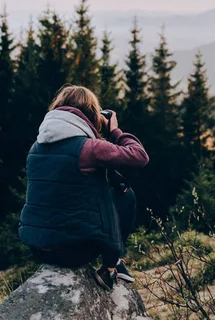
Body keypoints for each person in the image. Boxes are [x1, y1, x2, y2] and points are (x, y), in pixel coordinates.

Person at [19, 85, 149, 291]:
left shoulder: (36, 147)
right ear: (91, 114)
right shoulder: (89, 148)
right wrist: (115, 130)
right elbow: (139, 157)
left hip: (38, 246)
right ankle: (110, 268)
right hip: (73, 251)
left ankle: (112, 265)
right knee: (125, 195)